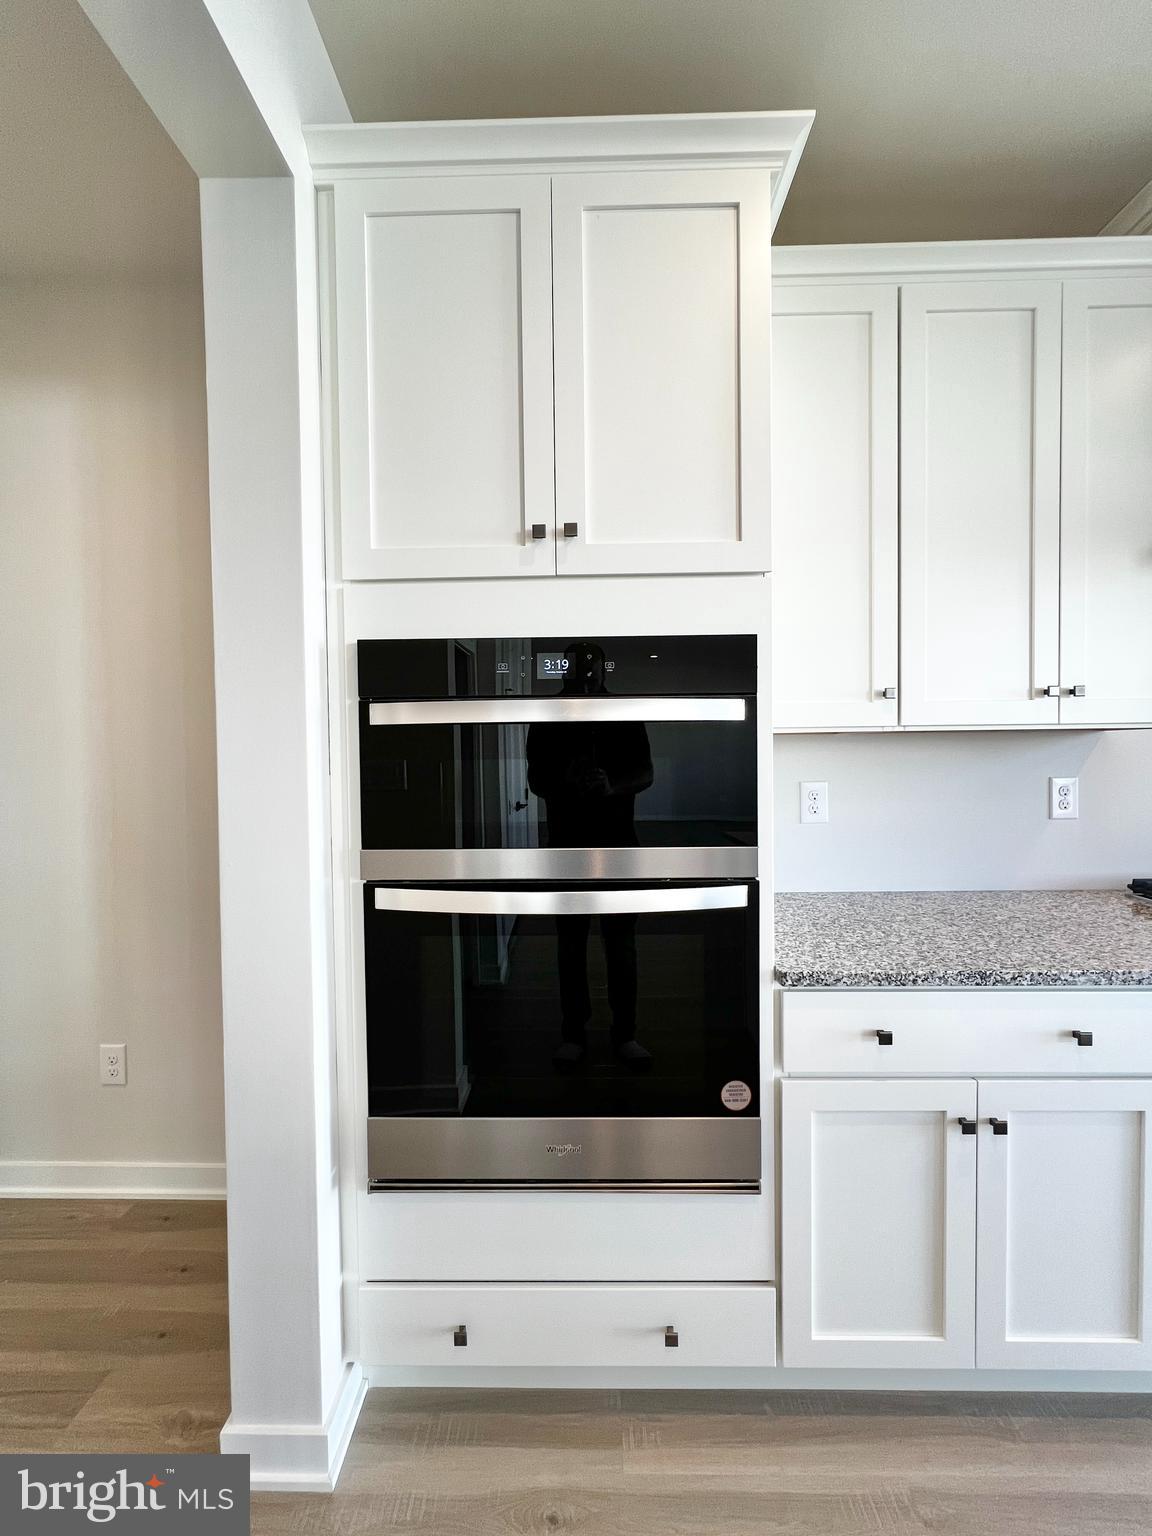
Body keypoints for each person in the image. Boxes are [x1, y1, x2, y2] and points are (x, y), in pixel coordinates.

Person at [526, 642, 654, 1070]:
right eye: (577, 666)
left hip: (615, 841)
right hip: (568, 842)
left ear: (602, 669)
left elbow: (645, 772)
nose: (583, 673)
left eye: (589, 666)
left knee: (620, 944)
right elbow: (537, 779)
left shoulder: (623, 714)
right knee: (573, 942)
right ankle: (575, 1033)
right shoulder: (548, 716)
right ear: (564, 669)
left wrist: (610, 784)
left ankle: (625, 1033)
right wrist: (570, 780)